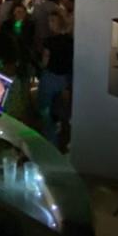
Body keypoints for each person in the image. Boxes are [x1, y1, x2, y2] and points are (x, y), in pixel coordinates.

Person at [38, 11, 74, 149]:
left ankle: (49, 142)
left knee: (46, 109)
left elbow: (45, 62)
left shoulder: (50, 41)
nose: (50, 24)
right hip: (65, 78)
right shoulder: (71, 41)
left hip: (50, 77)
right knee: (62, 111)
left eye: (52, 21)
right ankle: (62, 141)